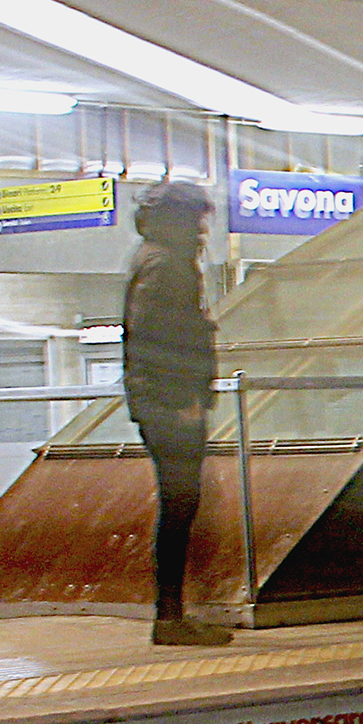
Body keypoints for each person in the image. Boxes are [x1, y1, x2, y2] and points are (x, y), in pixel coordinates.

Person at [123, 182, 230, 646]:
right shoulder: (167, 265)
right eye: (198, 218)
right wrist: (183, 399)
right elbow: (160, 336)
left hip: (160, 400)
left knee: (179, 506)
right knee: (178, 507)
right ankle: (169, 618)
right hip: (169, 404)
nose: (204, 228)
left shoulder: (153, 257)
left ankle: (171, 614)